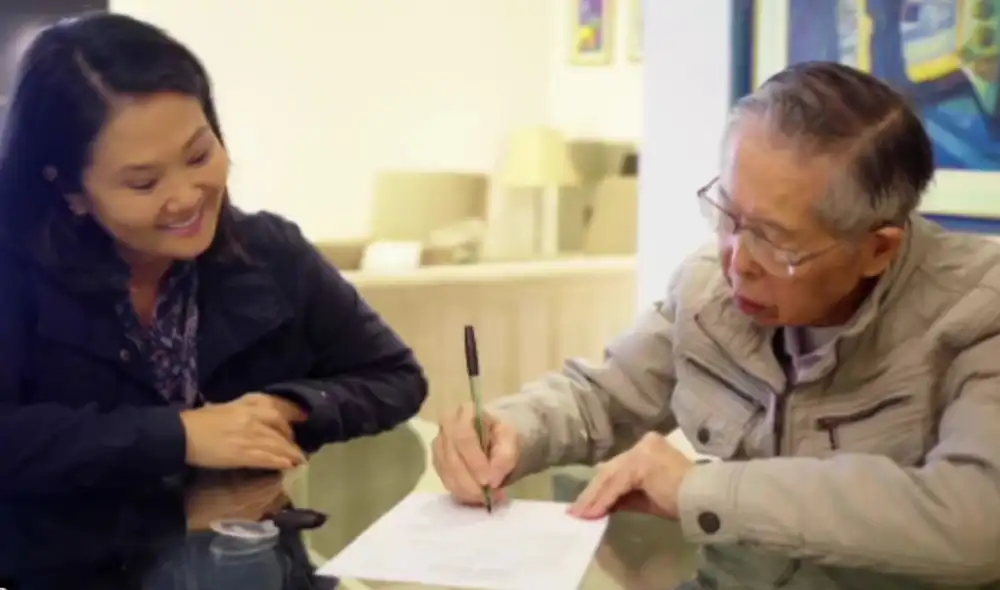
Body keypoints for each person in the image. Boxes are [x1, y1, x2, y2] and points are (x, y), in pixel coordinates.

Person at [433, 61, 1000, 589]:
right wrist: (512, 429)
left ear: (878, 249)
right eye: (728, 216)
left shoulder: (977, 310)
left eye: (776, 240)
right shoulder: (710, 286)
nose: (737, 261)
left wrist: (699, 489)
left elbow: (977, 517)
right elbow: (601, 399)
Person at [0, 11, 426, 585]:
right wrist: (179, 436)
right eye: (144, 183)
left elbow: (395, 376)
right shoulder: (15, 272)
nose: (186, 199)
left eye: (200, 156)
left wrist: (286, 409)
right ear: (70, 190)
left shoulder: (270, 252)